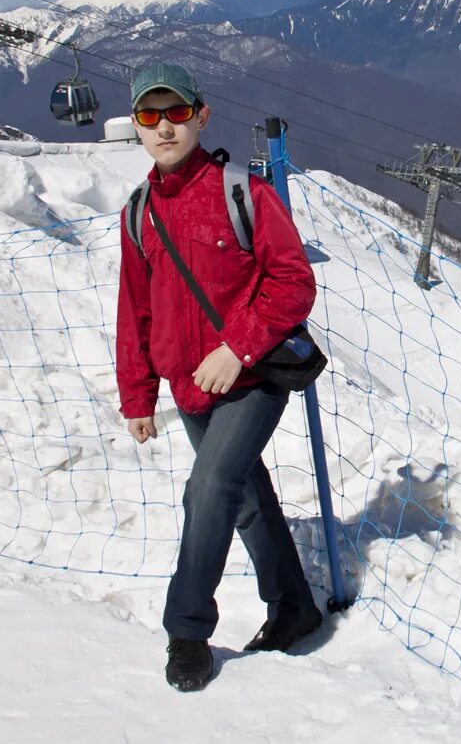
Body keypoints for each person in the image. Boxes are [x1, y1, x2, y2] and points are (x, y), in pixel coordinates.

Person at [115, 62, 324, 693]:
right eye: (150, 116)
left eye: (176, 112)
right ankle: (293, 607)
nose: (164, 127)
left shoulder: (243, 194)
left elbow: (294, 283)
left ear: (201, 116)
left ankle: (186, 632)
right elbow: (136, 307)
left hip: (251, 376)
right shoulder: (140, 211)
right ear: (136, 128)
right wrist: (138, 395)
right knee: (244, 495)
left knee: (208, 488)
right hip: (189, 384)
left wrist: (237, 347)